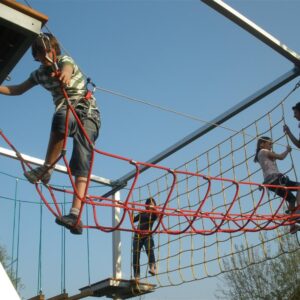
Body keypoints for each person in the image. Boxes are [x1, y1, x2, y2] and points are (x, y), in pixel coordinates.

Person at [0, 33, 100, 235]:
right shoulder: (39, 74)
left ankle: (75, 215)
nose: (46, 57)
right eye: (41, 54)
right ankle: (47, 169)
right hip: (67, 111)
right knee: (61, 118)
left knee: (81, 162)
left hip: (87, 112)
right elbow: (18, 89)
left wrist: (64, 74)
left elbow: (67, 69)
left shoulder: (64, 61)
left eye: (49, 52)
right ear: (36, 56)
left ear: (55, 51)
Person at [254, 136, 300, 234]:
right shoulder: (263, 151)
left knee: (291, 199)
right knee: (298, 187)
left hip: (272, 182)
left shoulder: (261, 154)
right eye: (269, 144)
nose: (271, 146)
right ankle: (298, 211)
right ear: (262, 144)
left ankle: (292, 224)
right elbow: (281, 157)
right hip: (276, 180)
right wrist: (287, 150)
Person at [132, 197, 158, 280]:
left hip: (148, 234)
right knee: (136, 255)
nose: (150, 205)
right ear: (146, 205)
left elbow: (159, 216)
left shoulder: (154, 214)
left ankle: (152, 268)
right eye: (149, 204)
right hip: (138, 235)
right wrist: (132, 209)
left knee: (149, 249)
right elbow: (133, 220)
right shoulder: (142, 213)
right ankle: (137, 276)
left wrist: (153, 208)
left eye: (152, 203)